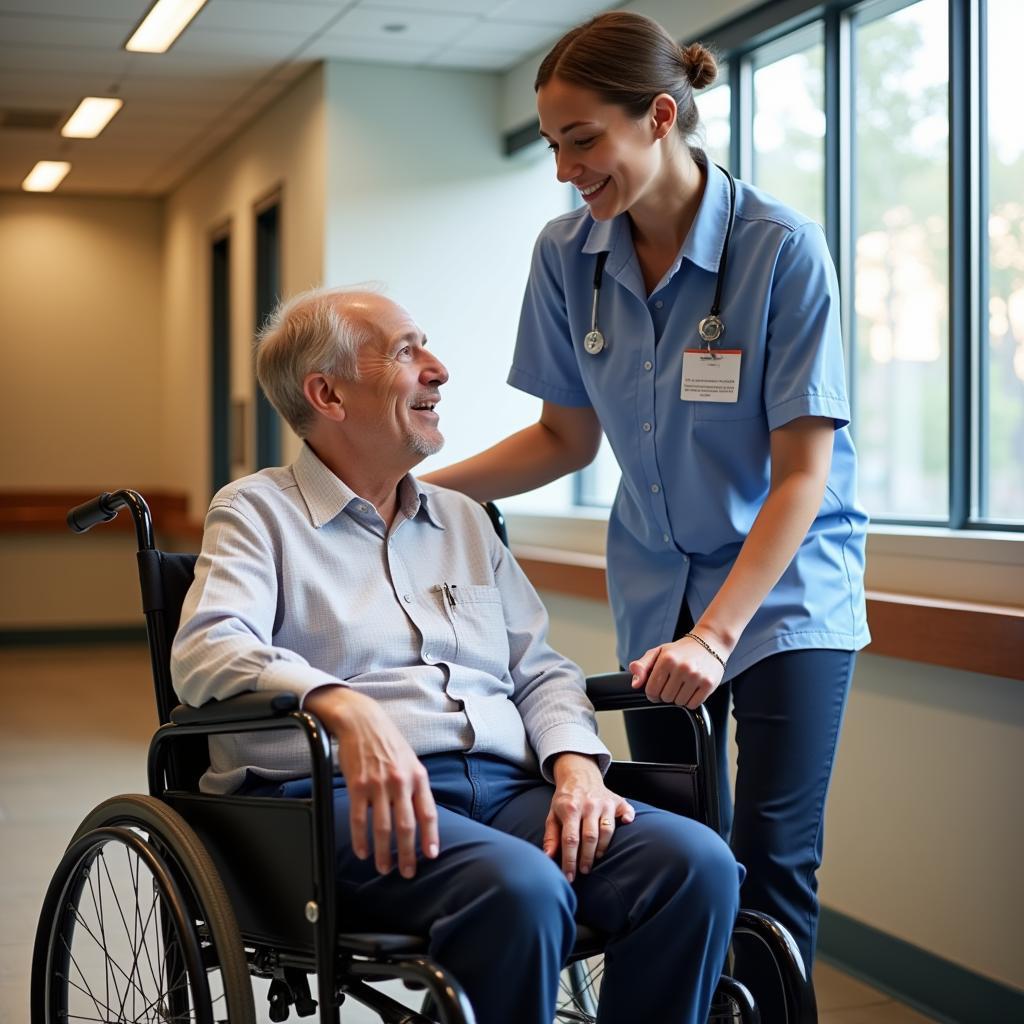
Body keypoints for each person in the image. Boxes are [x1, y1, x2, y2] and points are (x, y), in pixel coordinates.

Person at [423, 10, 870, 1004]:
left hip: (783, 594)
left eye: (582, 140)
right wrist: (410, 489)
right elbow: (563, 438)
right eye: (550, 145)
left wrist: (716, 636)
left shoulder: (779, 248)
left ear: (658, 116)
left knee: (770, 856)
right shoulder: (566, 255)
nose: (563, 168)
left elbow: (802, 472)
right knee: (677, 849)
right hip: (658, 594)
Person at [171, 285, 741, 1024]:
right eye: (408, 351)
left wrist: (574, 769)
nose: (439, 370)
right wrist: (340, 705)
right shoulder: (257, 512)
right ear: (328, 395)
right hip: (336, 802)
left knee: (696, 866)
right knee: (522, 889)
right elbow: (209, 646)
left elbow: (538, 670)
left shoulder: (465, 522)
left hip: (505, 792)